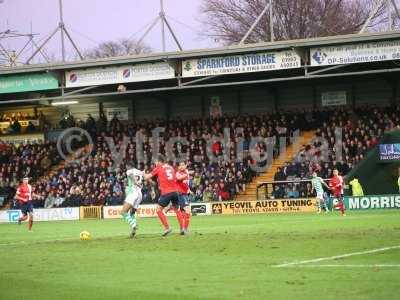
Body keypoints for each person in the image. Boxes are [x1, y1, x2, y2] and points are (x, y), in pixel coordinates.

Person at [144, 155, 185, 236]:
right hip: (175, 192)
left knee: (158, 209)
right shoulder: (171, 167)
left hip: (166, 193)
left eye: (155, 162)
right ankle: (182, 228)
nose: (155, 164)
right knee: (177, 209)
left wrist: (143, 173)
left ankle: (167, 228)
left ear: (159, 161)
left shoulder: (159, 168)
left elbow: (146, 177)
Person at [120, 164, 144, 238]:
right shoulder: (140, 172)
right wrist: (152, 190)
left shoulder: (129, 170)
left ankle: (134, 224)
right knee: (132, 213)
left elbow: (130, 175)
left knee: (123, 212)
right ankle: (133, 232)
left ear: (128, 166)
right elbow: (147, 178)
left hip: (132, 193)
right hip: (139, 195)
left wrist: (135, 182)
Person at [175, 161, 191, 235]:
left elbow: (185, 183)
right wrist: (187, 174)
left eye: (183, 165)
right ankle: (185, 229)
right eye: (180, 165)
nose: (181, 166)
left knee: (182, 212)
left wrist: (189, 190)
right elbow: (178, 178)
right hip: (180, 194)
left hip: (185, 193)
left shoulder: (186, 172)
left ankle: (182, 229)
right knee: (187, 210)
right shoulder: (178, 173)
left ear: (185, 165)